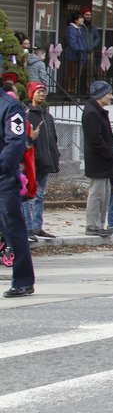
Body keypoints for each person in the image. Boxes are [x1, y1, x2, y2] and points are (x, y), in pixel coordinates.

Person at [1, 83, 34, 297]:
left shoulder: (10, 106)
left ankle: (23, 280)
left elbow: (15, 143)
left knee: (13, 228)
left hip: (2, 178)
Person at [22, 82, 59, 239]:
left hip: (45, 162)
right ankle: (28, 227)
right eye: (39, 91)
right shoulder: (27, 115)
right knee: (27, 196)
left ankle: (37, 227)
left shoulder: (47, 116)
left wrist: (55, 156)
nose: (42, 94)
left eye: (44, 92)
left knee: (39, 196)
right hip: (32, 163)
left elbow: (53, 140)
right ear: (32, 94)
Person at [81, 80, 113, 237]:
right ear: (100, 95)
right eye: (109, 93)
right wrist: (109, 152)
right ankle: (93, 225)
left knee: (104, 195)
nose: (111, 97)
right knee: (97, 195)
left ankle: (99, 224)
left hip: (103, 160)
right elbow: (95, 139)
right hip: (98, 160)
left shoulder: (96, 111)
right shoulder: (92, 113)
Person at [64, 12, 87, 94]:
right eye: (80, 18)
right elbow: (72, 42)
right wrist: (79, 50)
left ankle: (73, 91)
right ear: (75, 20)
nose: (82, 19)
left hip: (79, 55)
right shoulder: (71, 29)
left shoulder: (78, 29)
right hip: (73, 55)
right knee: (71, 75)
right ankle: (69, 91)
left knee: (76, 75)